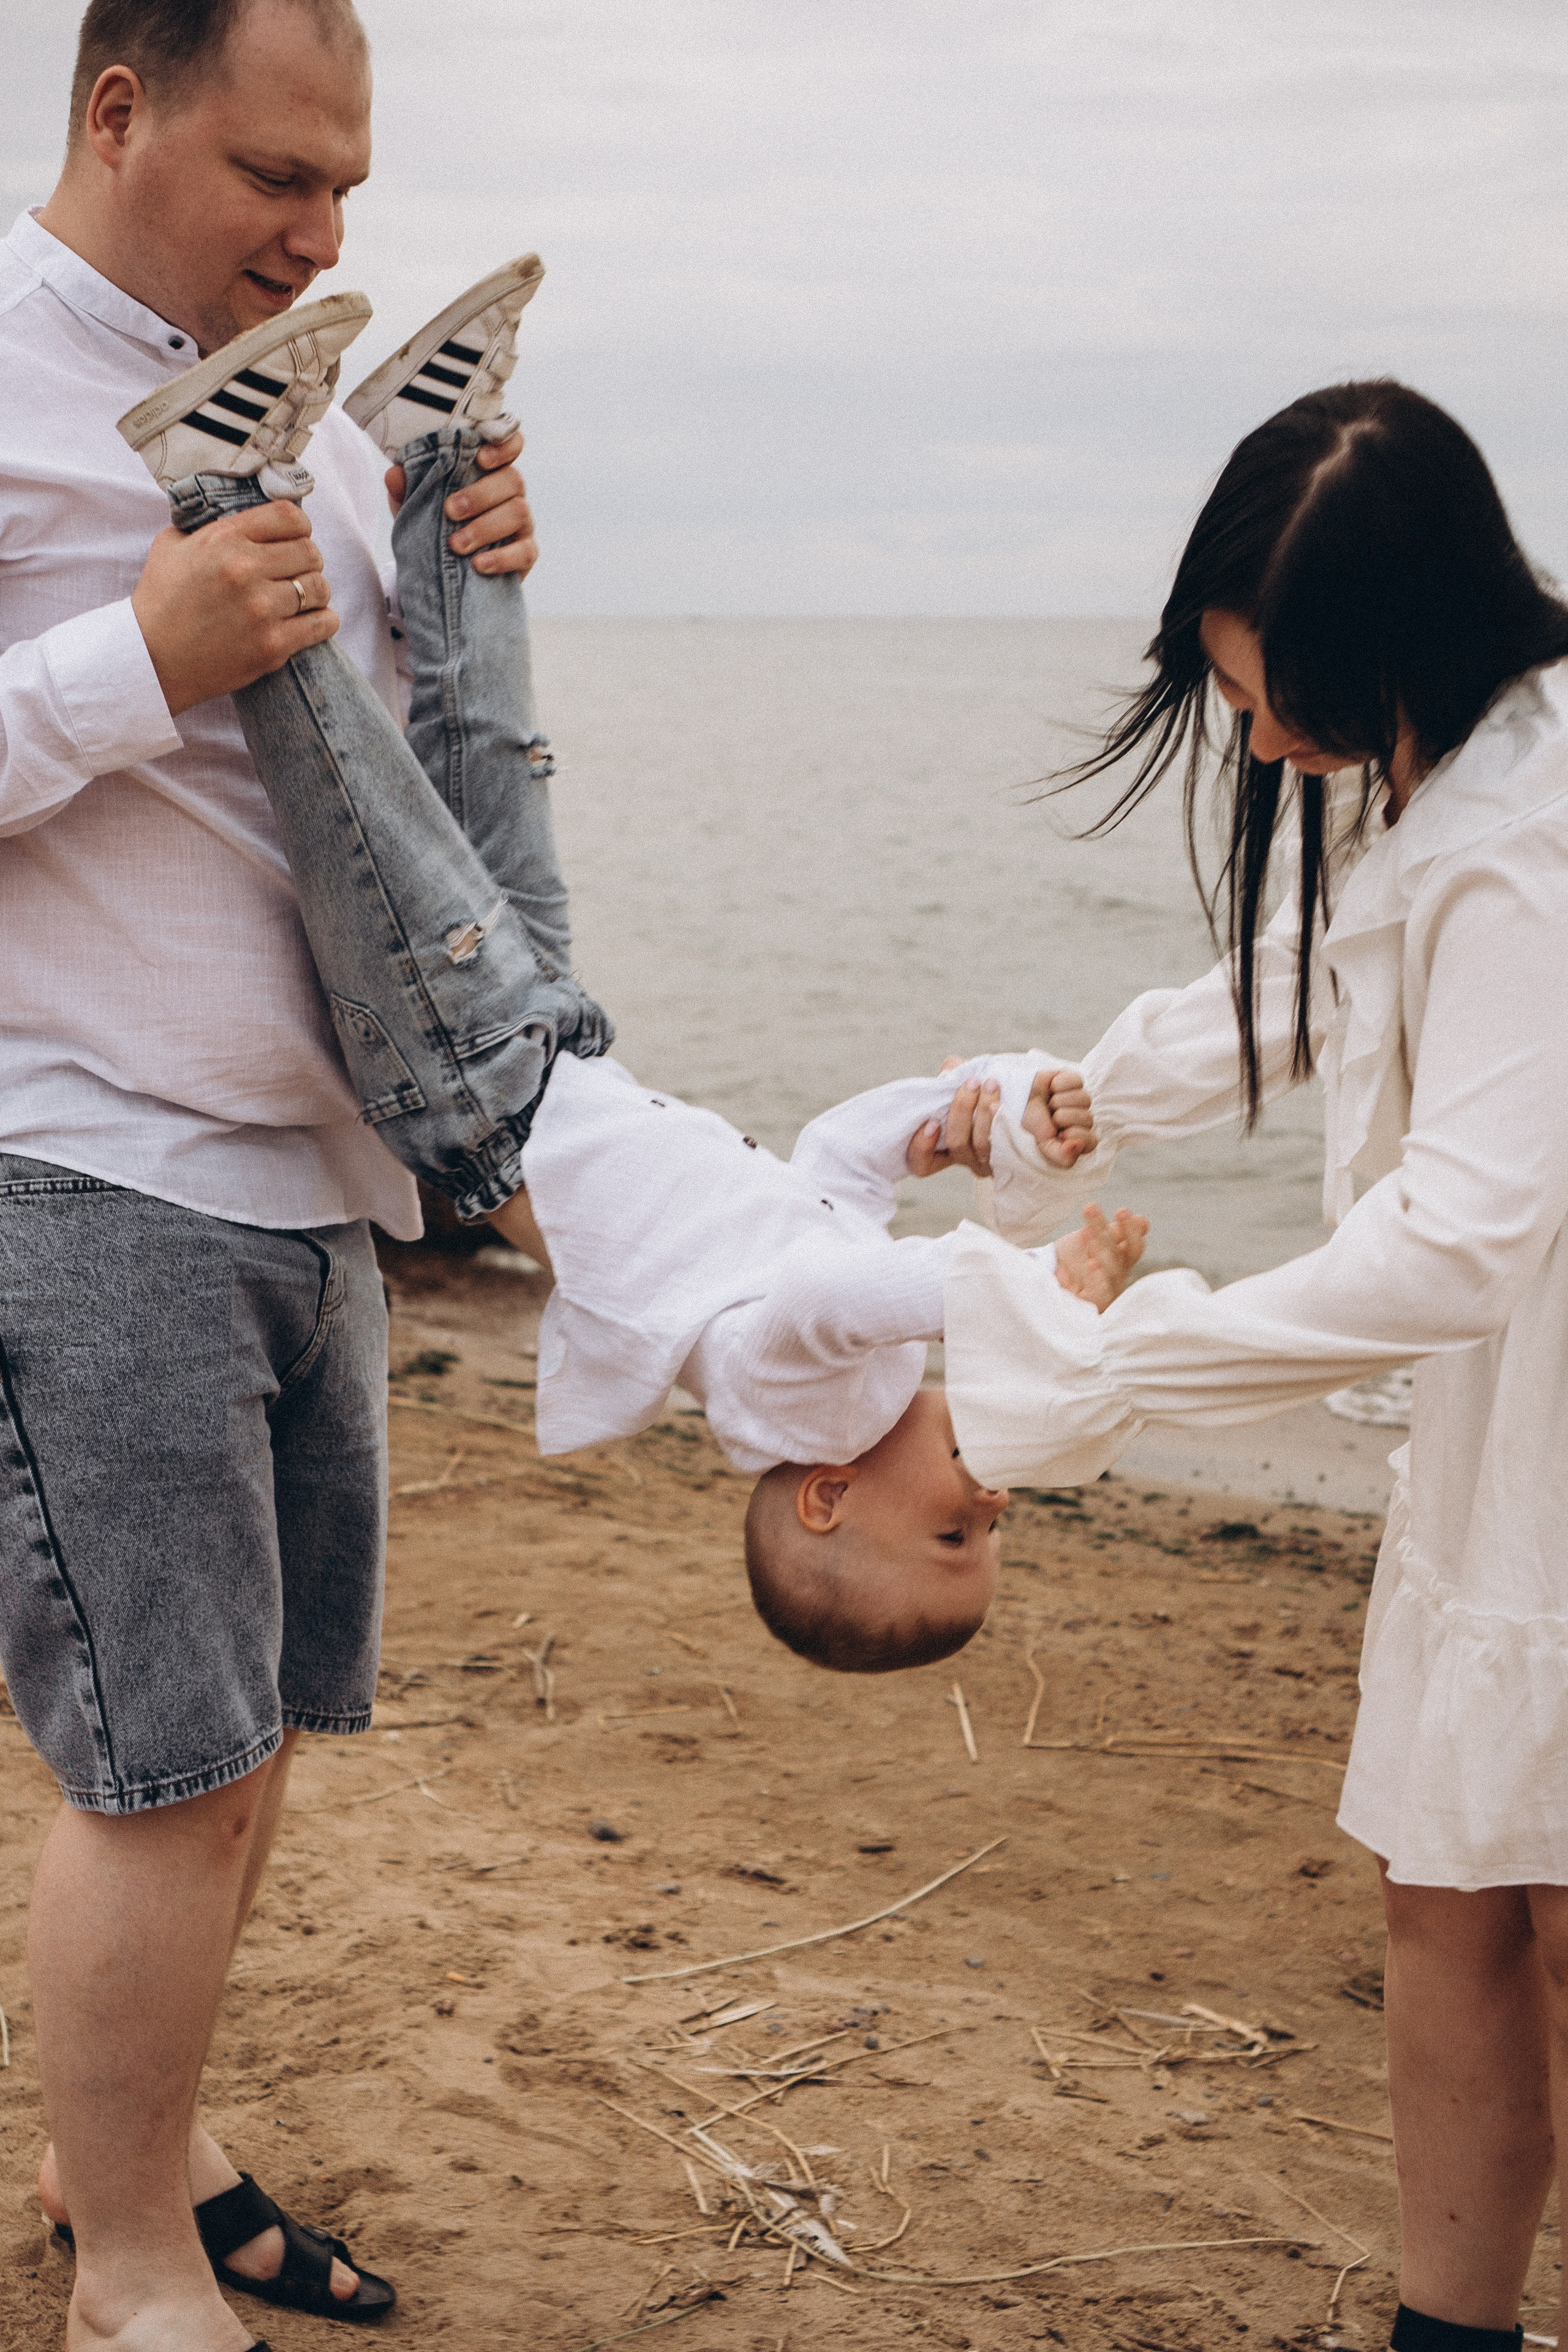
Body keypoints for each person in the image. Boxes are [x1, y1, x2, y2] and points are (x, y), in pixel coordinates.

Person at [120, 304, 1149, 1678]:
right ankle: (436, 453)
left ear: (828, 1502)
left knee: (360, 791)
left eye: (954, 1541)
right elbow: (833, 1170)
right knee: (494, 753)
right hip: (551, 1037)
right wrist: (941, 1123)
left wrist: (1032, 1289)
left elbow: (851, 1293)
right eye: (989, 1545)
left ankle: (220, 487)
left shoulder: (787, 1397)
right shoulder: (865, 1378)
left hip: (476, 1084)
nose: (993, 1513)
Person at [0, 4, 542, 2346]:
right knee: (166, 1762)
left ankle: (157, 2154)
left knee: (253, 1748)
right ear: (116, 109)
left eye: (347, 190)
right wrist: (136, 649)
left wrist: (462, 568)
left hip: (318, 1177)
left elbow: (361, 803)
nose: (321, 235)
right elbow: (158, 697)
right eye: (274, 177)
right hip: (88, 1167)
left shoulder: (287, 389)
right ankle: (127, 2262)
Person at [935, 380, 1568, 2352]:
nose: (1247, 727)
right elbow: (1300, 990)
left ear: (1404, 642)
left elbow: (1465, 1235)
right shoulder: (1442, 781)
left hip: (1541, 1406)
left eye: (1275, 687)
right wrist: (1061, 1103)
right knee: (1447, 1889)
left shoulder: (1531, 842)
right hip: (1499, 1433)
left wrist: (1140, 1363)